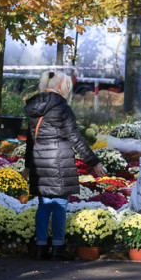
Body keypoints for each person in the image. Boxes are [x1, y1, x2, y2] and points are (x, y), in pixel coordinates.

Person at [24, 71, 106, 260]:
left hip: (38, 161)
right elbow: (75, 138)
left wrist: (28, 166)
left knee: (43, 205)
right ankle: (57, 249)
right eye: (67, 87)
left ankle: (40, 248)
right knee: (59, 205)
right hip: (59, 160)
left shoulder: (33, 106)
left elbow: (30, 140)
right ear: (60, 87)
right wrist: (93, 162)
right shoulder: (62, 107)